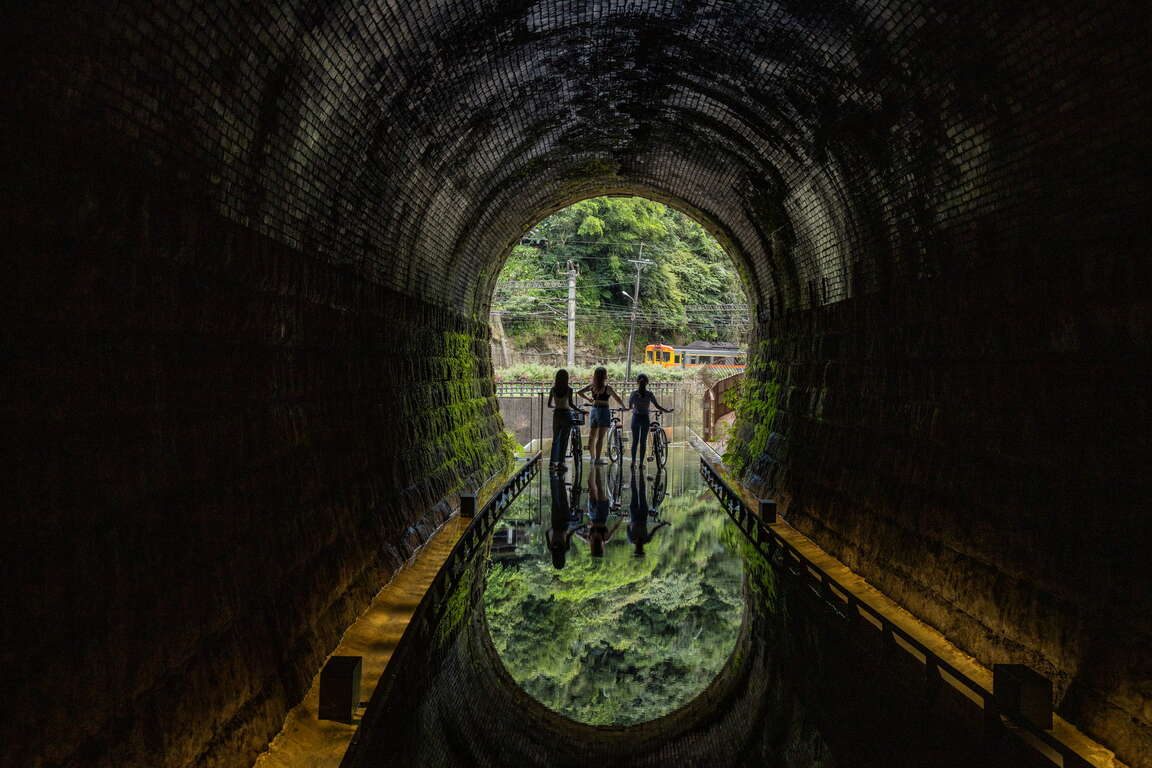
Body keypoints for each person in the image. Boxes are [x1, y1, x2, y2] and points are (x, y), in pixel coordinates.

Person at [577, 366, 625, 465]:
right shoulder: (607, 388)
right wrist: (624, 406)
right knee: (600, 437)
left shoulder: (592, 386)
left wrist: (589, 399)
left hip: (594, 411)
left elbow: (579, 392)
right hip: (603, 412)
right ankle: (598, 459)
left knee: (592, 436)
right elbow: (617, 398)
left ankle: (592, 458)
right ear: (604, 376)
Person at [626, 373, 673, 463]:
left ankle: (633, 462)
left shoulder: (633, 394)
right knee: (643, 442)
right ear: (647, 383)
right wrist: (666, 411)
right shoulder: (649, 394)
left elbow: (630, 407)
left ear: (637, 382)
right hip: (645, 418)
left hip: (635, 418)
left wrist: (631, 407)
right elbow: (657, 406)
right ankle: (640, 463)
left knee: (635, 442)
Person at [627, 469, 669, 557]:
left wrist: (662, 525)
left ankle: (635, 473)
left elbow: (628, 527)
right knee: (638, 492)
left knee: (637, 492)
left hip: (637, 516)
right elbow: (654, 530)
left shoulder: (633, 540)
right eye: (640, 550)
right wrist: (663, 524)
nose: (639, 548)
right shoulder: (642, 540)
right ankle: (637, 473)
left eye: (638, 550)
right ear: (642, 550)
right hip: (640, 516)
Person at [547, 369, 581, 473]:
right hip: (567, 415)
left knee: (555, 439)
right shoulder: (569, 389)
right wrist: (580, 410)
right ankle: (561, 463)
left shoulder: (553, 389)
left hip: (557, 414)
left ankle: (552, 463)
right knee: (564, 440)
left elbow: (549, 404)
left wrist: (556, 406)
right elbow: (571, 404)